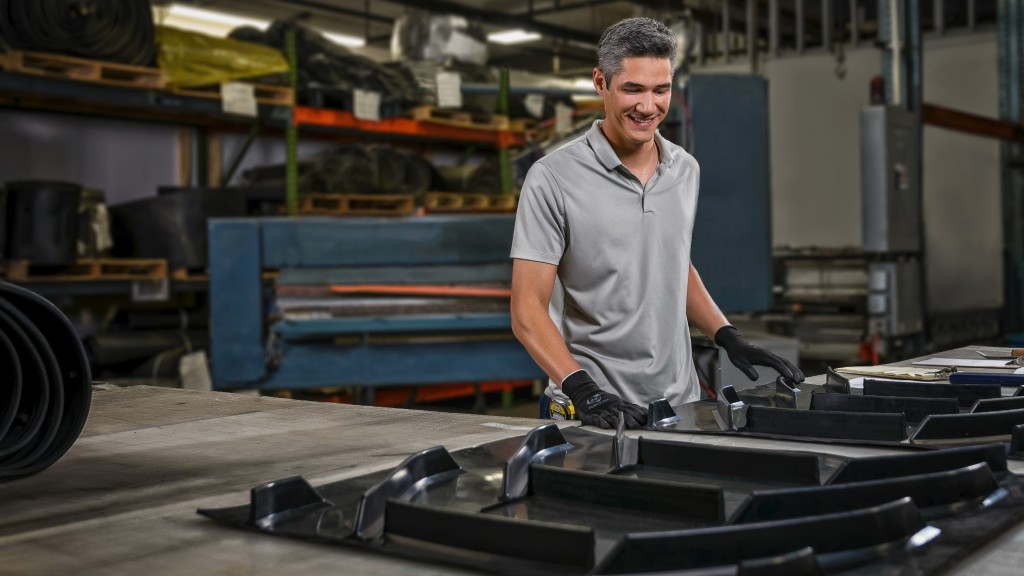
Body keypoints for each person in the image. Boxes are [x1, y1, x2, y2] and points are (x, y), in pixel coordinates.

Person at [509, 17, 802, 430]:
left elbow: (672, 263)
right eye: (632, 89)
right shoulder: (553, 177)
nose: (648, 107)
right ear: (600, 83)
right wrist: (581, 387)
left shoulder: (685, 170)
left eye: (660, 90)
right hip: (593, 408)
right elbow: (526, 309)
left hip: (679, 403)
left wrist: (726, 335)